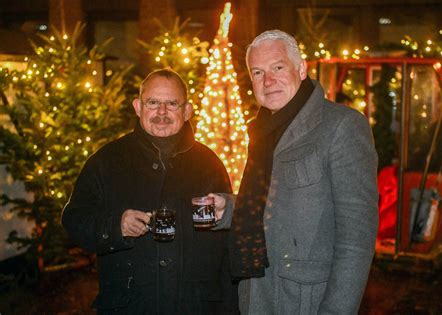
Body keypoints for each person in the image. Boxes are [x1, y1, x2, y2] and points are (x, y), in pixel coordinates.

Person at [212, 30, 378, 314]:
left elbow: (356, 239)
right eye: (258, 72)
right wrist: (227, 208)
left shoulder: (342, 126)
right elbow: (272, 202)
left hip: (305, 301)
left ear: (301, 69)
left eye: (278, 67)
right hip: (256, 293)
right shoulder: (261, 130)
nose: (268, 81)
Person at [62, 69, 238, 314]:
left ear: (187, 110)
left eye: (172, 104)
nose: (162, 112)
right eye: (153, 102)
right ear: (138, 107)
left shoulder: (209, 163)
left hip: (195, 305)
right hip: (130, 304)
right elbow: (74, 219)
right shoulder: (107, 160)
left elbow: (226, 245)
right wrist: (116, 227)